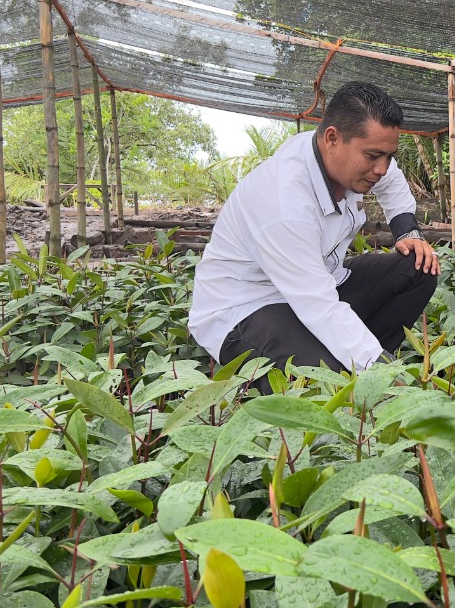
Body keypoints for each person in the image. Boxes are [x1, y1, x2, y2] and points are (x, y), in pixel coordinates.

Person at [188, 82, 439, 385]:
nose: (382, 169)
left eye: (388, 156)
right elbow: (317, 304)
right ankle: (364, 367)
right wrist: (382, 372)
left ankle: (362, 354)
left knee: (418, 266)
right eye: (373, 156)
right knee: (326, 381)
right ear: (333, 138)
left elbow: (392, 180)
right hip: (250, 309)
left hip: (322, 284)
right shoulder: (284, 203)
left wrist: (407, 231)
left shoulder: (340, 156)